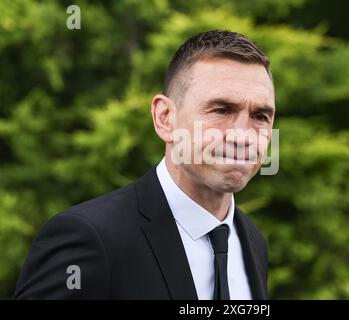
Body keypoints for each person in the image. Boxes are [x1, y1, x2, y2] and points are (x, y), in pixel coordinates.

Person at [14, 29, 275, 300]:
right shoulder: (90, 238)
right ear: (164, 118)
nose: (243, 135)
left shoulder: (253, 242)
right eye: (221, 110)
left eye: (260, 116)